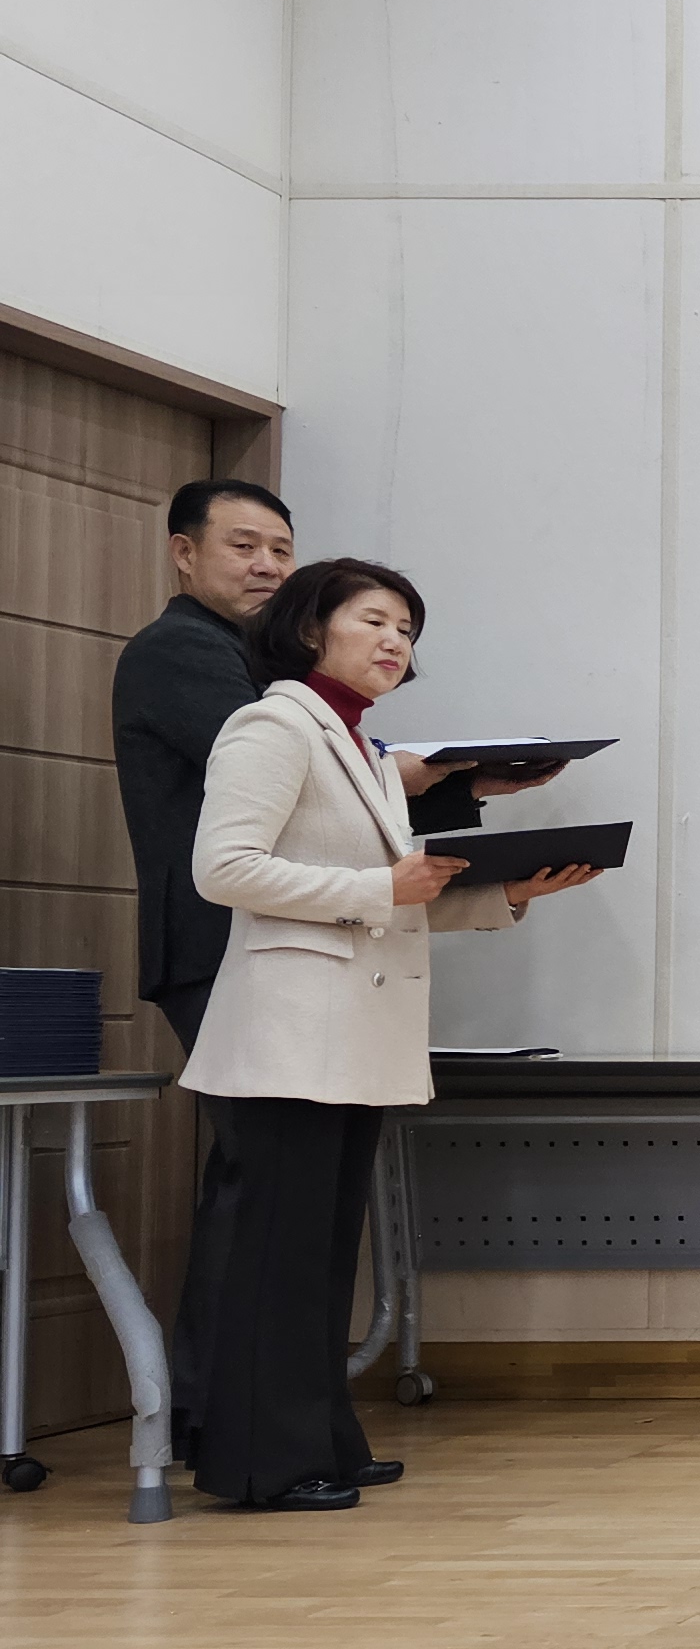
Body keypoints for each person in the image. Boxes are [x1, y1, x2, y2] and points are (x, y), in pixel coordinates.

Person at [112, 481, 561, 1455]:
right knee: (272, 1210)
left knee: (310, 1220)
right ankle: (241, 1437)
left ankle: (302, 1433)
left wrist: (497, 871)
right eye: (244, 545)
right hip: (258, 965)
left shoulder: (338, 726)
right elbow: (250, 843)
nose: (267, 565)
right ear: (184, 552)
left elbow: (357, 818)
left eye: (281, 548)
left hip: (328, 972)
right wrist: (402, 848)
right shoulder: (231, 684)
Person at [178, 559, 597, 1509]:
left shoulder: (361, 748)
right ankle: (263, 1464)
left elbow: (397, 901)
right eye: (373, 620)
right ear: (309, 629)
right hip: (290, 1033)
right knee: (277, 1253)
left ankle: (319, 1438)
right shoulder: (273, 725)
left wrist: (506, 893)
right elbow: (224, 869)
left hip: (349, 1033)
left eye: (406, 629)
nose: (394, 641)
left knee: (323, 1254)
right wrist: (381, 885)